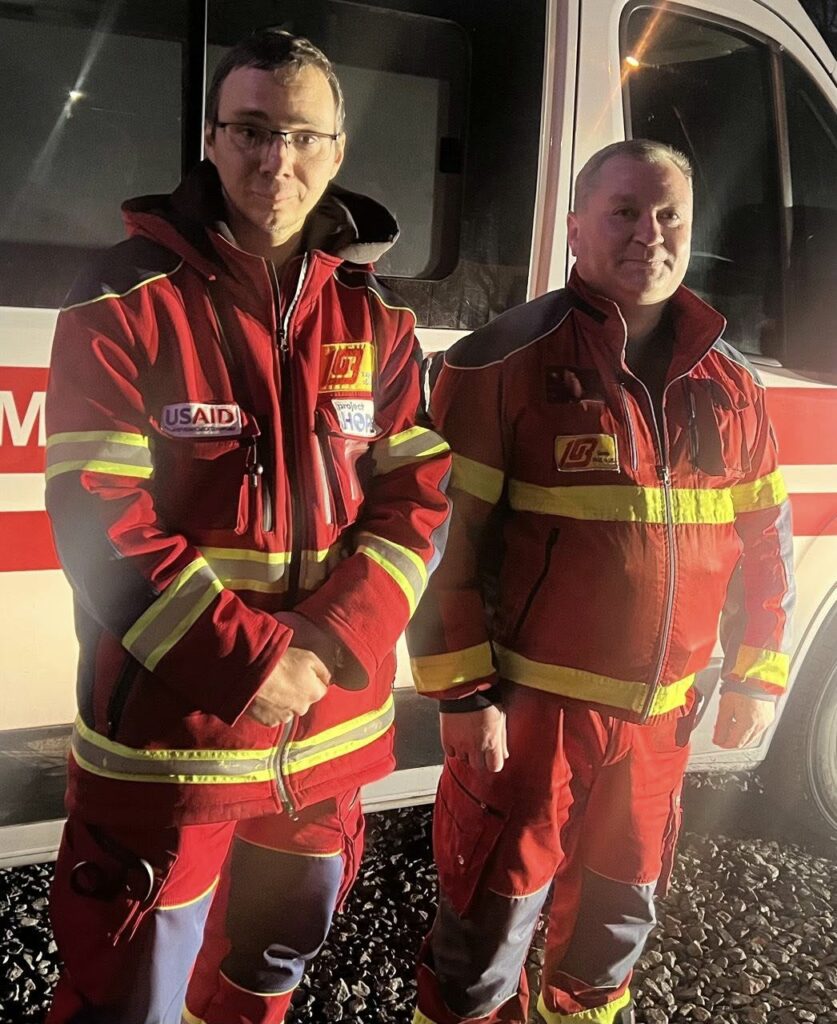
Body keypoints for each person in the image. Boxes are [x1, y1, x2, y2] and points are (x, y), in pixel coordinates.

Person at [44, 29, 451, 1024]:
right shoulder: (125, 299)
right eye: (253, 131)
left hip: (325, 746)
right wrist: (252, 663)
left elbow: (417, 497)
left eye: (304, 136)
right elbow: (97, 511)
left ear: (338, 151)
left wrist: (335, 637)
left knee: (263, 979)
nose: (278, 160)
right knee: (126, 995)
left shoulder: (379, 320)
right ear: (212, 139)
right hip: (171, 754)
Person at [407, 139, 794, 1024]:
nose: (647, 234)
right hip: (529, 721)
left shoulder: (731, 383)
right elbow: (442, 548)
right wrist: (463, 694)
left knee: (611, 937)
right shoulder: (496, 362)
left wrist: (756, 675)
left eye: (668, 216)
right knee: (483, 943)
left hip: (662, 724)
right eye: (623, 212)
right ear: (574, 226)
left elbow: (765, 545)